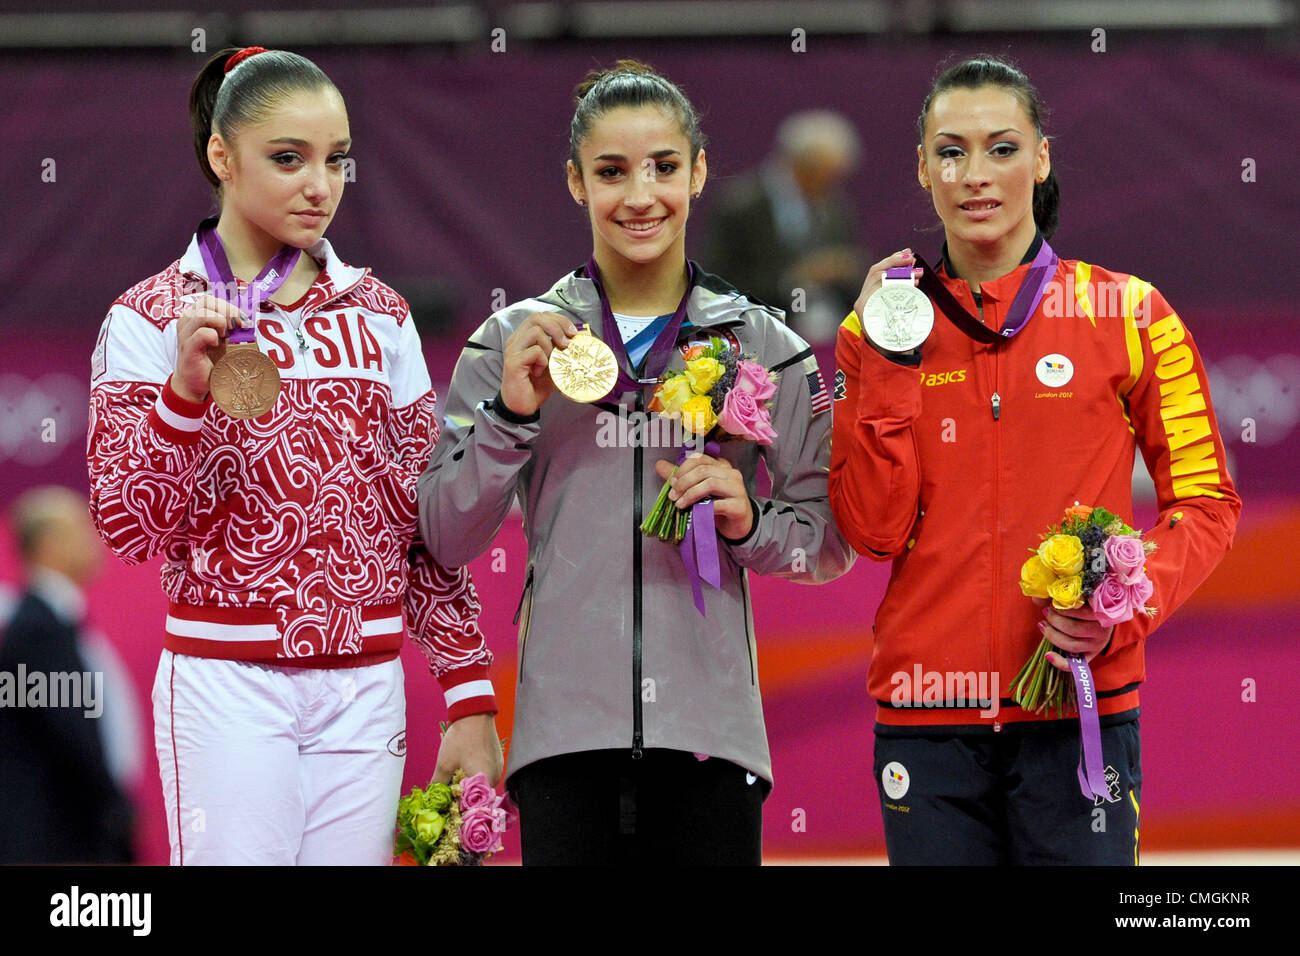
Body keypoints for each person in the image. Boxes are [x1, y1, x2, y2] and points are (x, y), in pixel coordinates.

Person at [417, 60, 855, 865]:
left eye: (662, 167)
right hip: (563, 744)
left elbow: (827, 542)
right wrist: (512, 414)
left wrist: (750, 522)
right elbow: (443, 535)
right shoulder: (511, 343)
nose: (640, 195)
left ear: (698, 172)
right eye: (612, 172)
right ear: (577, 184)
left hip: (711, 743)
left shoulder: (767, 346)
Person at [86, 46, 500, 866]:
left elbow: (416, 520)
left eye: (337, 160)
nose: (321, 186)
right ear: (220, 155)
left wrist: (467, 691)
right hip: (227, 682)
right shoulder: (146, 316)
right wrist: (182, 398)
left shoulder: (380, 314)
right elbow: (131, 528)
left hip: (367, 683)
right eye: (289, 158)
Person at [829, 55, 1242, 865]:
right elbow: (873, 532)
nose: (975, 175)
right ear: (922, 168)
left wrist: (1126, 601)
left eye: (1002, 148)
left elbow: (1208, 503)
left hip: (1081, 707)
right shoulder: (875, 330)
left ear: (1043, 157)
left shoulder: (1129, 313)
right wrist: (886, 361)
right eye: (951, 152)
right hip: (928, 719)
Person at [0, 486, 134, 863]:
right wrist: (115, 806)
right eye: (80, 530)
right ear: (47, 544)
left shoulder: (52, 624)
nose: (96, 542)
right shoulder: (37, 631)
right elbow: (69, 731)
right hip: (54, 841)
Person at [705, 110, 867, 345]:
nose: (831, 185)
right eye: (825, 175)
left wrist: (844, 269)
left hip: (823, 330)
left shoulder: (834, 206)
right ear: (800, 164)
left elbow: (850, 264)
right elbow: (719, 280)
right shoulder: (742, 206)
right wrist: (794, 278)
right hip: (756, 332)